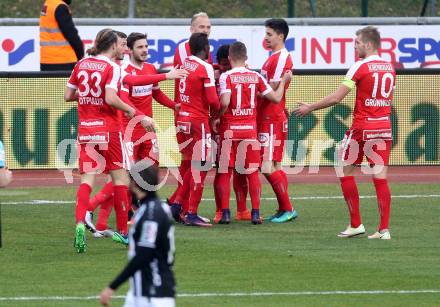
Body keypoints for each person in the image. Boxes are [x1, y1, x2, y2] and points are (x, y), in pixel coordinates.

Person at [294, 26, 395, 240]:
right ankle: (383, 229)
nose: (355, 46)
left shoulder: (359, 67)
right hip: (384, 126)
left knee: (344, 169)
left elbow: (336, 98)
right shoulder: (389, 67)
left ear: (368, 44)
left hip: (363, 126)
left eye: (357, 42)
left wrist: (310, 107)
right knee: (380, 177)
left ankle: (356, 224)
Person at [85, 32, 187, 238]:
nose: (145, 50)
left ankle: (114, 217)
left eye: (146, 46)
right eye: (139, 47)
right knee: (123, 176)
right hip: (129, 129)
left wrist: (174, 106)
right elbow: (125, 101)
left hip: (147, 130)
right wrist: (142, 116)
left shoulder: (149, 69)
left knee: (148, 172)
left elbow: (155, 93)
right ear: (129, 49)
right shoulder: (121, 70)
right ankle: (93, 210)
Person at [65, 28, 155, 253]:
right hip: (109, 130)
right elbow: (110, 98)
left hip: (86, 130)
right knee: (121, 180)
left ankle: (79, 224)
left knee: (87, 179)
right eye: (120, 44)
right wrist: (135, 113)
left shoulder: (81, 64)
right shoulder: (112, 67)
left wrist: (87, 95)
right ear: (113, 45)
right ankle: (123, 233)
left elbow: (68, 96)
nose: (122, 47)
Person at [215, 42, 292, 224]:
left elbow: (225, 102)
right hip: (249, 131)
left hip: (230, 129)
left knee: (225, 171)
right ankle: (256, 213)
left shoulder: (226, 76)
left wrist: (216, 116)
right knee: (251, 172)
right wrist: (283, 82)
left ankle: (225, 213)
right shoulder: (255, 76)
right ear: (246, 58)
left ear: (230, 58)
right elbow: (275, 97)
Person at [99, 163, 176, 307]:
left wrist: (112, 286)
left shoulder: (151, 213)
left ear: (135, 183)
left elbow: (144, 254)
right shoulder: (153, 209)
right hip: (140, 292)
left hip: (154, 294)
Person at [167, 12, 213, 223]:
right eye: (201, 27)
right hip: (194, 115)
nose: (205, 30)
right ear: (191, 29)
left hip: (184, 113)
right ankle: (186, 208)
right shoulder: (191, 52)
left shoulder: (192, 56)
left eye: (208, 27)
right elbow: (206, 89)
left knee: (189, 161)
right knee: (198, 163)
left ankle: (178, 203)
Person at [172, 33, 220, 227]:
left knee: (192, 164)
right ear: (207, 48)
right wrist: (218, 112)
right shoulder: (205, 67)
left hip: (182, 119)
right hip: (197, 121)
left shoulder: (183, 65)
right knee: (201, 165)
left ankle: (177, 205)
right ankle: (192, 213)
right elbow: (213, 101)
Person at [258, 18, 298, 223]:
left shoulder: (281, 57)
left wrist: (256, 88)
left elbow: (273, 89)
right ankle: (284, 208)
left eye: (269, 34)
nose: (265, 38)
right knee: (274, 165)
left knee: (266, 166)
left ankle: (288, 208)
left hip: (271, 117)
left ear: (280, 36)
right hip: (271, 115)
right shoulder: (272, 57)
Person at [212, 44, 253, 223]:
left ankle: (242, 209)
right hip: (218, 127)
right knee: (223, 170)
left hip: (238, 126)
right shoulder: (213, 76)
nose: (225, 68)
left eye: (226, 64)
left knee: (241, 169)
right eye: (222, 65)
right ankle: (220, 210)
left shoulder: (242, 74)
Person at [40, 0, 84, 71]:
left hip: (46, 59)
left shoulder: (48, 3)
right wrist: (80, 53)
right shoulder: (60, 7)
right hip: (63, 60)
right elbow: (71, 34)